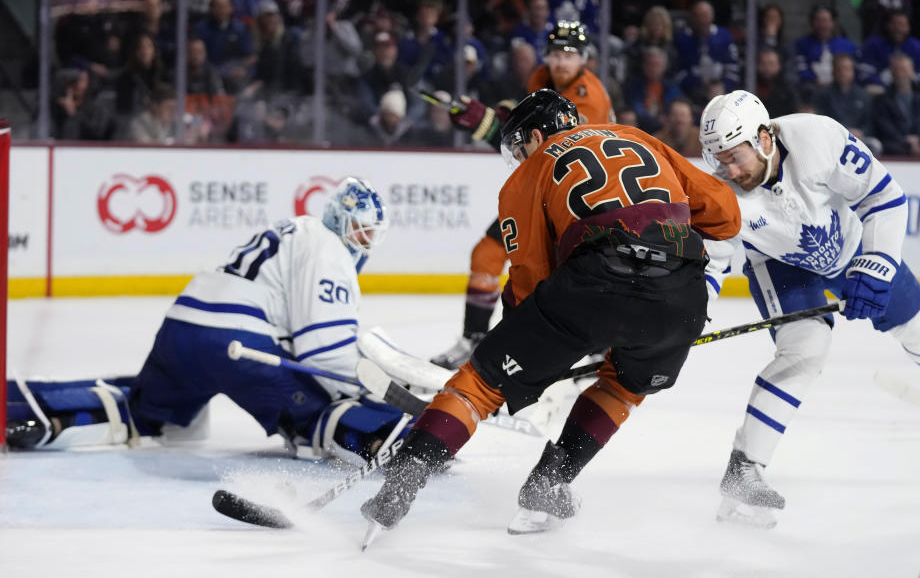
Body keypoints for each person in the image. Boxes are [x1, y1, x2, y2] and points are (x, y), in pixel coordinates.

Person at [359, 89, 741, 541]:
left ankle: (406, 476)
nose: (519, 158)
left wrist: (527, 353)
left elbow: (530, 280)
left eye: (520, 147)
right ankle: (550, 483)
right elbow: (726, 215)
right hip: (680, 297)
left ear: (537, 135)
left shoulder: (532, 171)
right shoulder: (639, 137)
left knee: (480, 384)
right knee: (623, 385)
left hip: (594, 282)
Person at [6, 178, 409, 468]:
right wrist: (378, 396)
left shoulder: (294, 229)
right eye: (363, 229)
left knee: (149, 416)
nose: (365, 239)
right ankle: (387, 439)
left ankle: (32, 411)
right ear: (342, 221)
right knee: (319, 417)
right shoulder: (329, 249)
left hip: (182, 327)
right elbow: (324, 351)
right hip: (238, 344)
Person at [698, 90, 920, 528]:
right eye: (718, 160)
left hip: (855, 244)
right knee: (806, 348)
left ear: (764, 138)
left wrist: (876, 263)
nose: (729, 170)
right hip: (780, 266)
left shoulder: (818, 137)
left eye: (736, 157)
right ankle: (746, 472)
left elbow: (885, 197)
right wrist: (690, 312)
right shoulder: (719, 190)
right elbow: (710, 262)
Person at [430, 21, 615, 369]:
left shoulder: (588, 99)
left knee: (564, 275)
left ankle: (593, 346)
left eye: (570, 55)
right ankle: (474, 341)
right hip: (546, 191)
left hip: (581, 200)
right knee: (486, 254)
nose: (561, 62)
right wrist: (497, 115)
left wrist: (485, 123)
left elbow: (543, 151)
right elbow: (527, 126)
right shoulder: (541, 78)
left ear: (584, 59)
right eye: (556, 54)